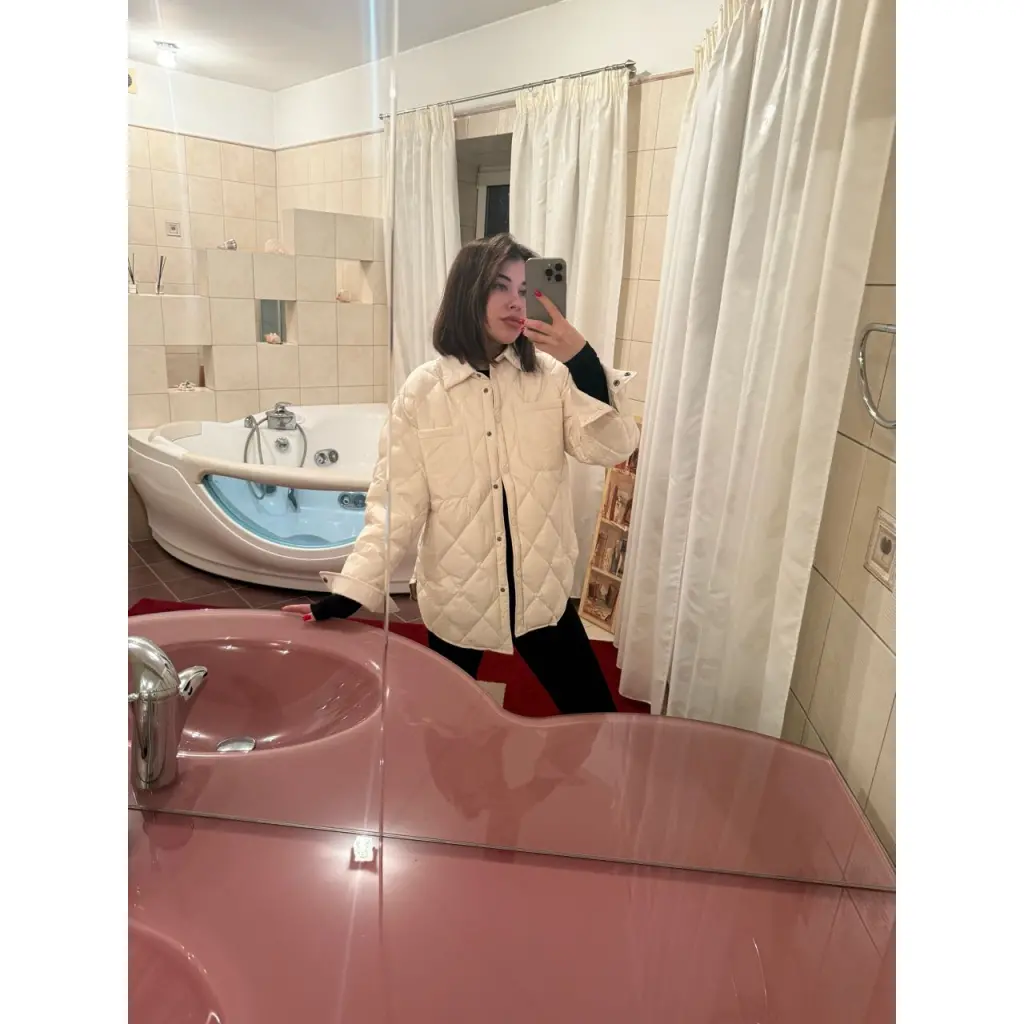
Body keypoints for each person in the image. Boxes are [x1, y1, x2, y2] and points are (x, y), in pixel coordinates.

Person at [283, 233, 639, 714]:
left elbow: (610, 447)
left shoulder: (551, 378)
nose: (516, 302)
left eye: (525, 289)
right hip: (458, 595)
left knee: (595, 719)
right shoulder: (423, 392)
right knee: (446, 726)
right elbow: (395, 506)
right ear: (468, 292)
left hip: (541, 593)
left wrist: (581, 358)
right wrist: (347, 596)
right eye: (500, 286)